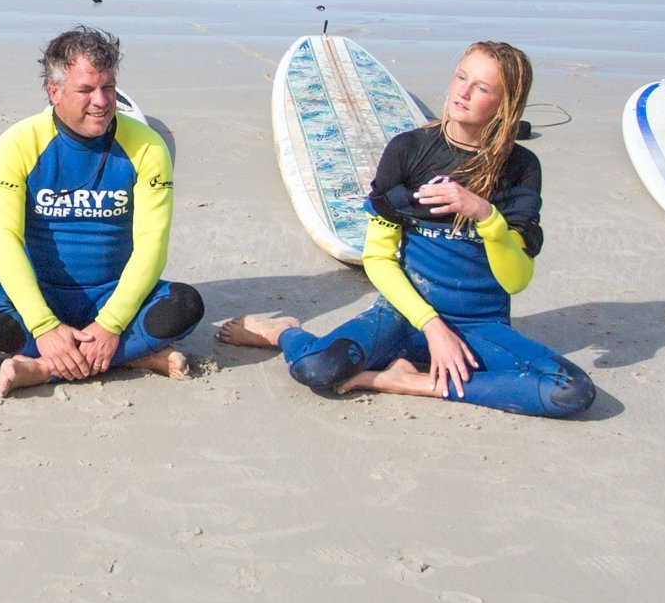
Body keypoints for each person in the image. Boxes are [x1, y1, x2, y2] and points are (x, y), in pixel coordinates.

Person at [222, 42, 593, 418]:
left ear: (506, 104)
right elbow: (378, 258)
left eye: (481, 88)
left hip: (478, 326)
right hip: (403, 315)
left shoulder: (520, 168)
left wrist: (486, 216)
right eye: (461, 77)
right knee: (316, 369)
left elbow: (516, 280)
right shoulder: (408, 150)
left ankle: (408, 381)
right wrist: (431, 325)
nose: (462, 93)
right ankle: (283, 332)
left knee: (570, 391)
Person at [0, 26, 205, 397]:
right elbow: (5, 242)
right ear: (54, 92)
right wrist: (43, 326)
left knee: (185, 305)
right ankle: (135, 356)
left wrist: (110, 324)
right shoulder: (16, 145)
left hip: (117, 295)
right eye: (86, 90)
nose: (102, 101)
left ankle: (45, 368)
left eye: (108, 87)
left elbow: (151, 245)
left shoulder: (147, 149)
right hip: (44, 294)